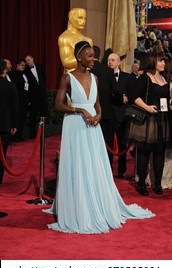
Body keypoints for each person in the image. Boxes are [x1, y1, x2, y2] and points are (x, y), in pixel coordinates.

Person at [43, 41, 154, 234]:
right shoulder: (67, 78)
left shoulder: (95, 78)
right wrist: (80, 111)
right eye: (89, 56)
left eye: (93, 56)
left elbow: (97, 104)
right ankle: (76, 207)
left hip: (93, 126)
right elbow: (58, 105)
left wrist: (99, 115)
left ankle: (95, 202)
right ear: (79, 57)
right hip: (74, 125)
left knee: (93, 164)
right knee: (76, 164)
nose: (93, 59)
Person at [127, 52, 171, 196]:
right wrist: (147, 107)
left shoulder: (164, 78)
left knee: (160, 152)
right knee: (144, 152)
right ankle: (141, 184)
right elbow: (133, 96)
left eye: (164, 61)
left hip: (162, 119)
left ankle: (157, 184)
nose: (164, 63)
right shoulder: (145, 77)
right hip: (148, 120)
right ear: (153, 62)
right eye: (161, 61)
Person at [90, 45, 120, 169]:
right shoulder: (108, 71)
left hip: (89, 113)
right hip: (107, 113)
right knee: (107, 142)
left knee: (91, 144)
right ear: (100, 56)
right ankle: (107, 169)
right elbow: (117, 91)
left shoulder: (86, 71)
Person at [107, 53, 134, 179]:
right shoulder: (104, 76)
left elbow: (132, 95)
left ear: (118, 63)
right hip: (108, 115)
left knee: (123, 144)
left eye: (112, 60)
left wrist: (127, 99)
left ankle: (122, 170)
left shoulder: (127, 77)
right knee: (108, 145)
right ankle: (108, 170)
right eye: (108, 60)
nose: (110, 62)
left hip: (122, 116)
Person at [0, 60, 18, 185]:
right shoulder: (10, 86)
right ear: (4, 70)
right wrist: (14, 125)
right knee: (2, 154)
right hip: (5, 125)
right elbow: (15, 107)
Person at [24, 54, 47, 138]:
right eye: (26, 61)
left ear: (33, 59)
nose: (27, 62)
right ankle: (32, 134)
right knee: (33, 116)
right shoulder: (25, 70)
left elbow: (44, 79)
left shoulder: (40, 67)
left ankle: (42, 133)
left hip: (42, 95)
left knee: (43, 114)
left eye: (28, 60)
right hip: (33, 97)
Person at [10, 58, 30, 141]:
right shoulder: (13, 74)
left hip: (24, 101)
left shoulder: (24, 74)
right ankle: (14, 136)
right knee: (17, 119)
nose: (23, 67)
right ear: (17, 65)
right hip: (17, 101)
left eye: (24, 66)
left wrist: (28, 100)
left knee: (22, 118)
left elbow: (27, 88)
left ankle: (19, 135)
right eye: (22, 65)